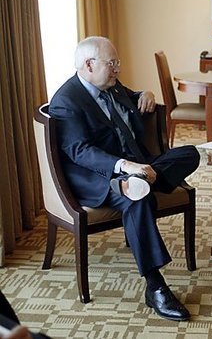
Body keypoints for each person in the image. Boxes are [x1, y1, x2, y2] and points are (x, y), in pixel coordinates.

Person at [49, 36, 200, 321]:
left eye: (117, 63)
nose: (117, 69)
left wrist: (146, 93)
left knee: (190, 153)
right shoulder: (67, 101)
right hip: (95, 176)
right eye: (112, 63)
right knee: (137, 199)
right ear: (89, 64)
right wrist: (123, 165)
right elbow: (79, 151)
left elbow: (132, 98)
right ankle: (155, 287)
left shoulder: (110, 85)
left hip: (134, 166)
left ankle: (140, 181)